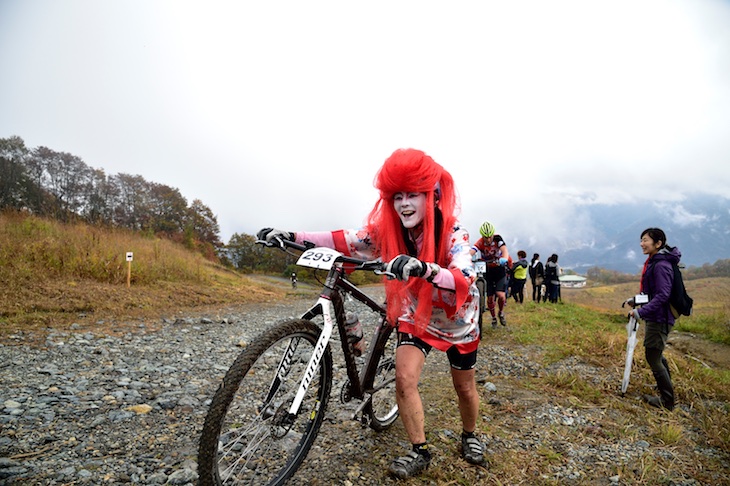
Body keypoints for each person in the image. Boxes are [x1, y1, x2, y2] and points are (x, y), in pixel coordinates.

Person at [257, 148, 485, 478]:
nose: (404, 204)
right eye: (398, 196)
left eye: (413, 196)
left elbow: (464, 275)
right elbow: (344, 239)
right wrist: (291, 236)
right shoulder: (390, 231)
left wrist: (425, 268)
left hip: (458, 320)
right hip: (415, 315)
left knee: (464, 388)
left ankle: (469, 435)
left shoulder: (453, 233)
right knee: (405, 379)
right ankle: (419, 449)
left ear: (431, 197)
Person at [626, 227, 679, 411]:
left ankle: (667, 401)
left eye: (646, 240)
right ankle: (666, 390)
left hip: (660, 317)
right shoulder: (655, 261)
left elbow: (663, 296)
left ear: (658, 243)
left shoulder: (661, 265)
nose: (642, 243)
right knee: (656, 353)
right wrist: (636, 300)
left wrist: (641, 312)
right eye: (641, 239)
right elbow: (652, 293)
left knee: (653, 355)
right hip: (656, 315)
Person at [470, 222, 510, 328]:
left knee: (501, 295)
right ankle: (493, 318)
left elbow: (504, 250)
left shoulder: (498, 239)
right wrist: (465, 258)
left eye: (489, 237)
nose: (487, 239)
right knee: (490, 298)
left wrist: (504, 258)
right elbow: (472, 251)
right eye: (485, 237)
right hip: (487, 269)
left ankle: (500, 312)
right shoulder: (480, 242)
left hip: (499, 269)